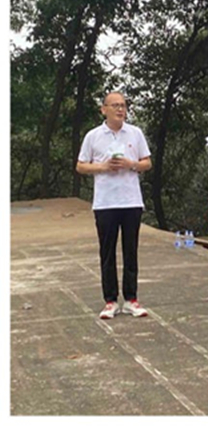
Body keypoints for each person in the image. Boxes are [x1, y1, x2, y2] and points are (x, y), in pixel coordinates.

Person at [76, 91, 152, 318]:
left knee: (131, 250)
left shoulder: (135, 133)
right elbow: (81, 166)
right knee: (107, 252)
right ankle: (110, 301)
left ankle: (131, 299)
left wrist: (131, 164)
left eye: (123, 105)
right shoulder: (93, 136)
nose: (120, 109)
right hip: (105, 202)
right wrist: (103, 167)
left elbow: (147, 163)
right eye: (115, 105)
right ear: (104, 109)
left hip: (131, 200)